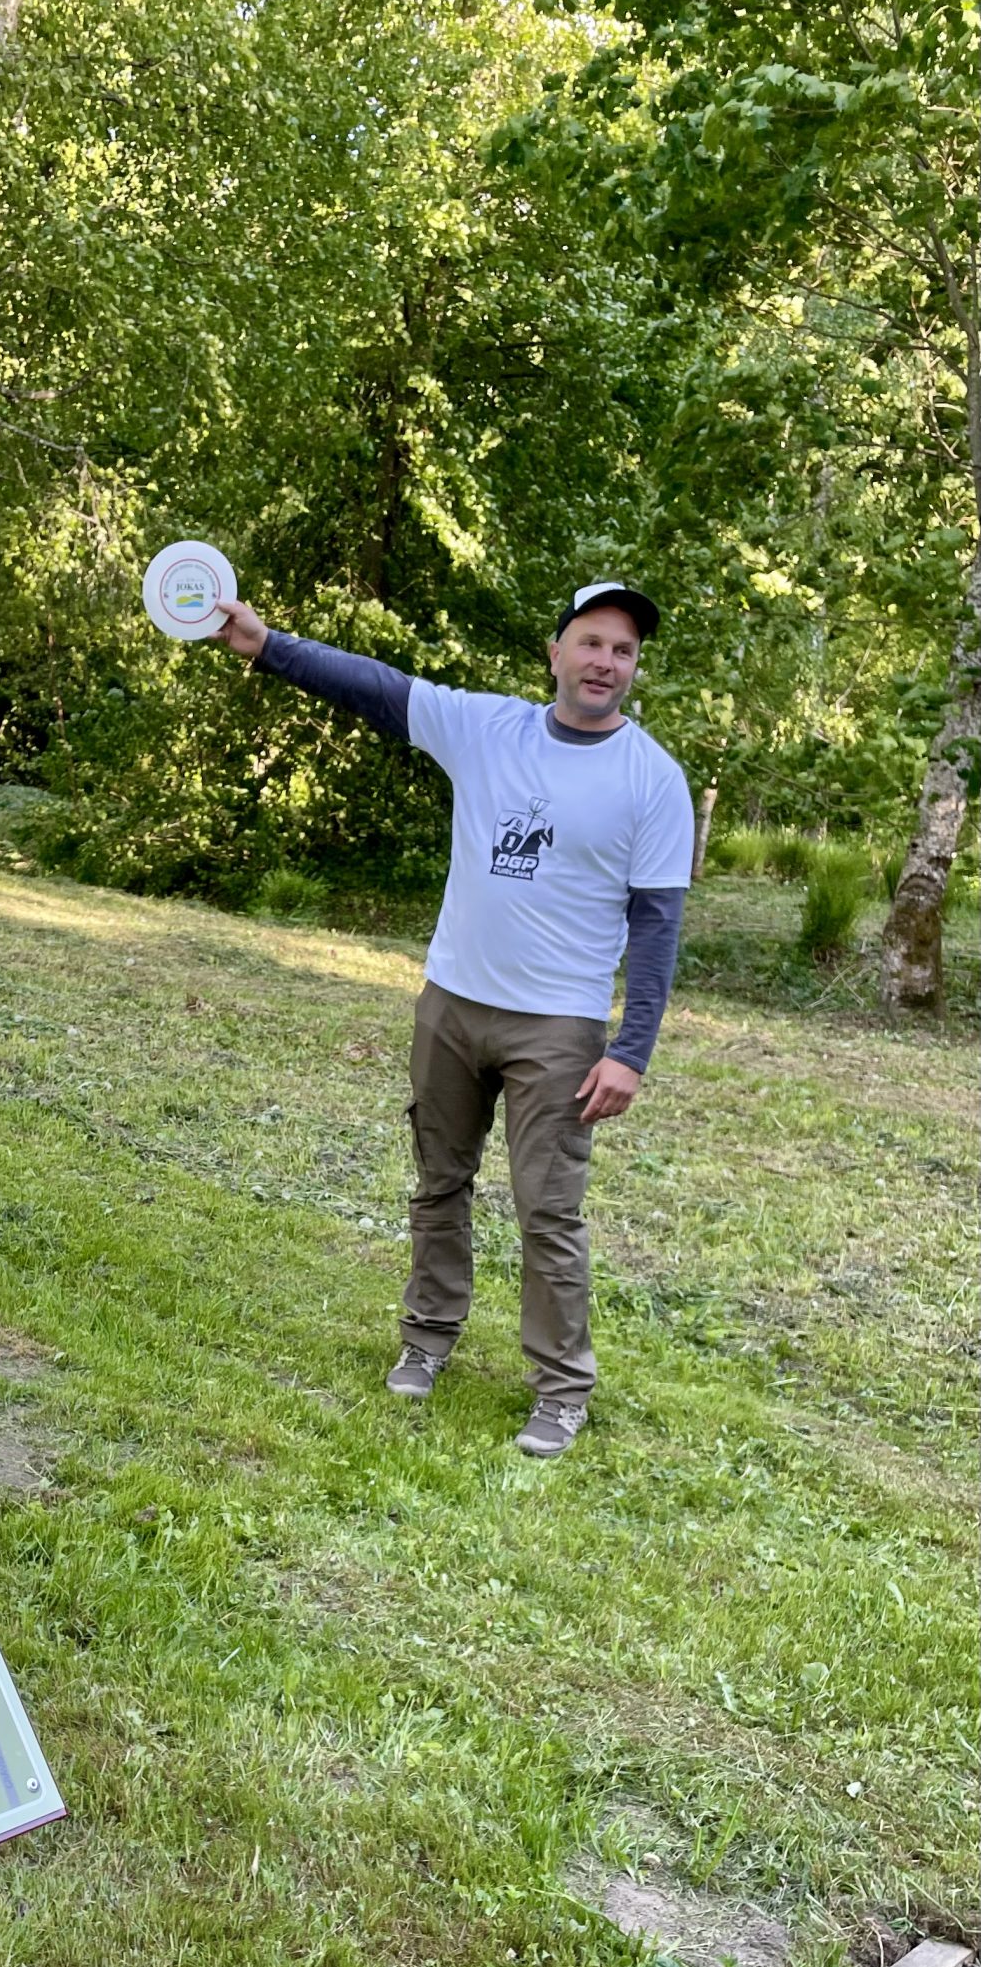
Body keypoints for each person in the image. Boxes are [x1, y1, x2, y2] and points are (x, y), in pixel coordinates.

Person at [212, 582, 692, 1457]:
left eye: (623, 652)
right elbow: (375, 686)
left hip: (559, 1027)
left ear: (633, 668)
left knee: (548, 1212)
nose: (605, 663)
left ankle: (561, 1391)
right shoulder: (486, 728)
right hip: (453, 1003)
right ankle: (427, 1339)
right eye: (591, 643)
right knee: (439, 1183)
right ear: (556, 652)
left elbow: (658, 926)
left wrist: (631, 1051)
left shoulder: (652, 779)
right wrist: (268, 646)